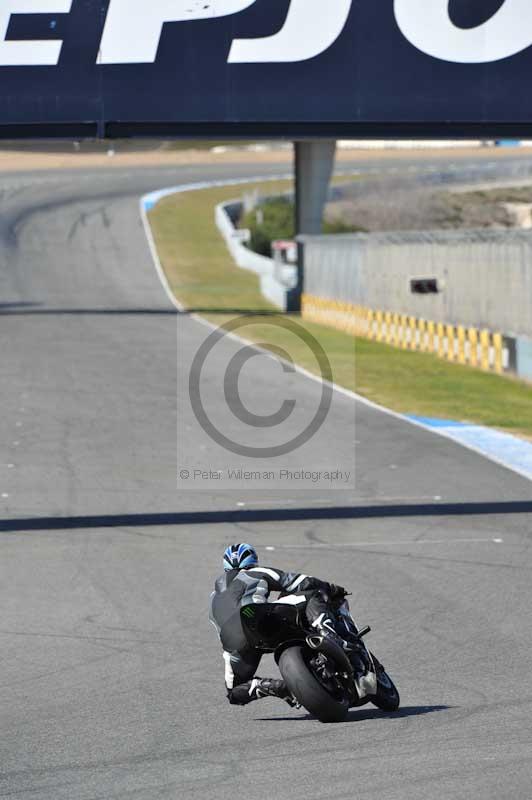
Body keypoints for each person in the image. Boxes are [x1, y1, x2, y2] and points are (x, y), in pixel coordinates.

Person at [209, 542, 347, 707]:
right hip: (257, 618)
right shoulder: (255, 572)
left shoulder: (213, 597)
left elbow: (217, 625)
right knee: (313, 593)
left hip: (233, 642)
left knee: (234, 692)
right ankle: (328, 634)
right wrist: (331, 589)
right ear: (253, 561)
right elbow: (297, 582)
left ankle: (268, 686)